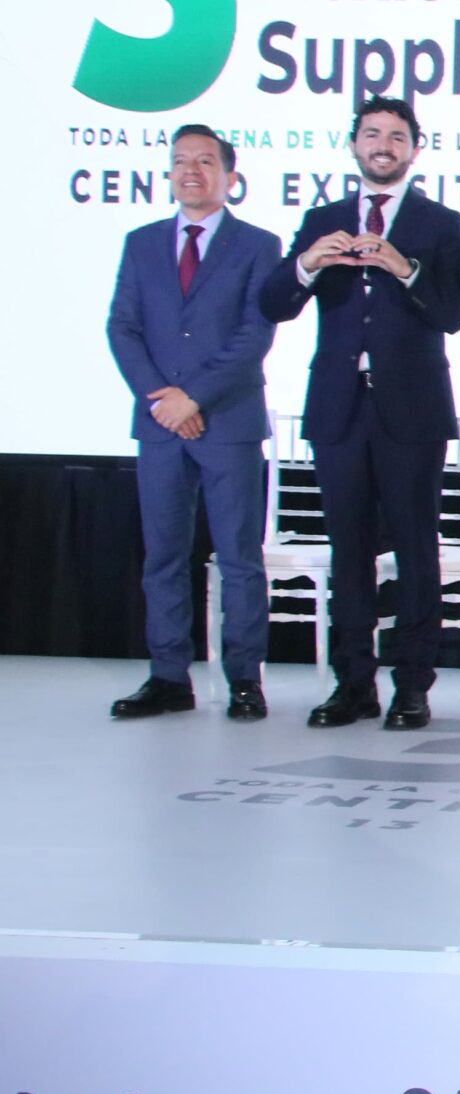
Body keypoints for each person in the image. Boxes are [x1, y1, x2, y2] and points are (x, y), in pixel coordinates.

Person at [258, 96, 460, 730]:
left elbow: (453, 313)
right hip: (339, 408)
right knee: (347, 550)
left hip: (412, 409)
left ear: (415, 149)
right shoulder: (322, 219)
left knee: (416, 548)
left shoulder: (440, 222)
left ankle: (412, 686)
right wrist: (308, 263)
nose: (383, 145)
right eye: (372, 134)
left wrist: (403, 268)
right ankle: (352, 684)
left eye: (396, 136)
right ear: (353, 144)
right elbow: (273, 303)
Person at [104, 126, 281, 722]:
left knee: (238, 558)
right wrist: (163, 400)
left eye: (205, 162)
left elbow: (254, 334)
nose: (190, 172)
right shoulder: (141, 243)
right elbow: (122, 327)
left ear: (230, 176)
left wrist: (194, 397)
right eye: (180, 161)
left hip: (227, 422)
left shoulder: (258, 244)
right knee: (163, 557)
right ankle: (168, 677)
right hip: (160, 424)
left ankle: (244, 679)